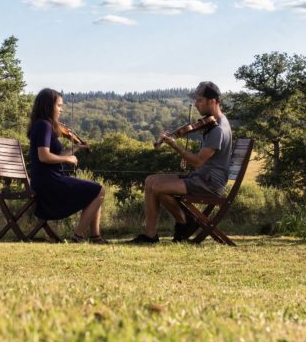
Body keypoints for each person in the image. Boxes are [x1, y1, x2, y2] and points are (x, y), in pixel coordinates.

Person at [129, 81, 233, 244]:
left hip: (209, 183)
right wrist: (186, 156)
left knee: (158, 187)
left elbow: (198, 162)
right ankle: (150, 235)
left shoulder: (218, 129)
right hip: (201, 177)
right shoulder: (212, 125)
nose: (196, 104)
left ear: (212, 101)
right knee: (150, 181)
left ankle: (184, 221)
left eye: (199, 100)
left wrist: (175, 145)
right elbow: (202, 159)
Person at [27, 88, 107, 243]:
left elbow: (53, 155)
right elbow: (44, 156)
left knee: (95, 190)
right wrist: (67, 159)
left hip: (48, 179)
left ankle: (95, 236)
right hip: (49, 182)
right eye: (59, 105)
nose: (61, 109)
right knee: (99, 190)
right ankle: (78, 236)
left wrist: (75, 148)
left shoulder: (41, 125)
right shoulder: (44, 125)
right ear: (48, 106)